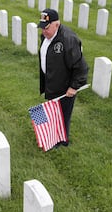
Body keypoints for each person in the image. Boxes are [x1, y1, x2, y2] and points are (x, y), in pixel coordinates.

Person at [38, 8, 88, 148]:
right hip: (52, 82)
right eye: (42, 28)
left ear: (57, 24)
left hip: (65, 86)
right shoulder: (46, 36)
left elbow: (81, 66)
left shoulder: (68, 40)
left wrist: (74, 86)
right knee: (53, 111)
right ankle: (52, 135)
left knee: (63, 114)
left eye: (46, 28)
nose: (43, 31)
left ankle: (62, 141)